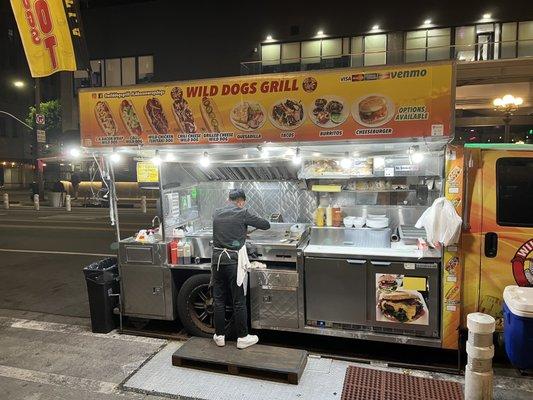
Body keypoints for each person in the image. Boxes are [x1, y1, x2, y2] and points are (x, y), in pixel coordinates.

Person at [211, 189, 270, 349]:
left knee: (219, 299)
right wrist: (244, 227)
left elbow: (226, 230)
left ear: (227, 199)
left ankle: (219, 336)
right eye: (242, 203)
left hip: (217, 260)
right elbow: (266, 225)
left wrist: (241, 233)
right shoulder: (242, 212)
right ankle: (243, 337)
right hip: (233, 261)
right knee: (238, 301)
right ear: (241, 201)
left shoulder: (216, 212)